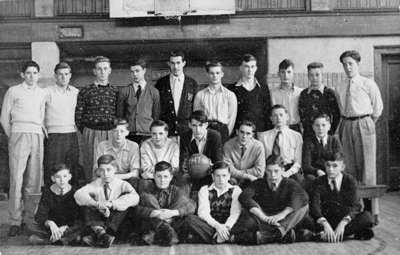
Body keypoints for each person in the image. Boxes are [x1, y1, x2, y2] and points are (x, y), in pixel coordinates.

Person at [0, 60, 47, 236]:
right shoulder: (13, 91)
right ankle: (15, 221)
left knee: (34, 180)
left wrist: (39, 132)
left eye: (35, 73)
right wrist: (13, 136)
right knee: (16, 179)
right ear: (22, 74)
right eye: (28, 73)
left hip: (36, 134)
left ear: (39, 75)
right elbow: (4, 118)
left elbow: (41, 117)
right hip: (18, 133)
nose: (32, 76)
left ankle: (30, 219)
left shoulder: (42, 93)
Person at [337, 50, 383, 216]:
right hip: (346, 124)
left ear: (358, 64)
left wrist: (366, 124)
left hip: (364, 123)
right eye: (344, 64)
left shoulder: (368, 83)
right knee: (349, 167)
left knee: (367, 168)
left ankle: (371, 212)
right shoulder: (341, 86)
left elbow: (377, 109)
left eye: (351, 64)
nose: (348, 67)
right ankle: (355, 210)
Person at [230, 155, 309, 244]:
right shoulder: (259, 183)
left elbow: (303, 197)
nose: (272, 175)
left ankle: (274, 234)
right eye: (269, 171)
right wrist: (264, 217)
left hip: (283, 221)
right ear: (265, 171)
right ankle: (281, 234)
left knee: (304, 206)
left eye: (276, 171)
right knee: (247, 215)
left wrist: (281, 215)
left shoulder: (290, 183)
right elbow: (244, 196)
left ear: (282, 170)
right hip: (264, 220)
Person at [74, 154, 139, 248]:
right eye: (102, 170)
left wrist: (111, 204)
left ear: (115, 169)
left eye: (109, 170)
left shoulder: (122, 184)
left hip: (115, 223)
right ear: (98, 171)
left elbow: (136, 198)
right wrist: (97, 204)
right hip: (100, 219)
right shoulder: (96, 183)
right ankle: (103, 235)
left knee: (125, 202)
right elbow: (78, 194)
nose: (105, 174)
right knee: (86, 203)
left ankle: (100, 235)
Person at [310, 152, 375, 242]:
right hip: (326, 219)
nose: (330, 169)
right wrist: (324, 223)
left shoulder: (350, 180)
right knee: (307, 220)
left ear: (342, 167)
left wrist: (343, 223)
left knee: (367, 217)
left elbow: (356, 205)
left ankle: (326, 235)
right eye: (328, 165)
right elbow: (315, 206)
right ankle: (340, 234)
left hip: (343, 219)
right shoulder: (318, 181)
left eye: (335, 166)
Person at [75, 56, 117, 182]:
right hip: (91, 132)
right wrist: (88, 131)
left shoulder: (115, 91)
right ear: (94, 71)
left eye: (105, 68)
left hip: (111, 132)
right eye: (99, 69)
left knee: (110, 164)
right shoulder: (86, 91)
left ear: (110, 70)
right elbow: (78, 116)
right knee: (92, 165)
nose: (102, 72)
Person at [135, 161, 196, 246]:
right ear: (154, 176)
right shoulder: (147, 189)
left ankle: (160, 234)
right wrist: (154, 213)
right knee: (147, 198)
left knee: (182, 203)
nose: (162, 180)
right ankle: (166, 232)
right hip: (153, 224)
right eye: (159, 176)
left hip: (172, 222)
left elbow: (191, 205)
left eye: (165, 176)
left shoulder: (176, 190)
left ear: (171, 177)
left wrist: (172, 213)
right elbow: (137, 209)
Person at [183, 161, 242, 244]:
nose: (221, 179)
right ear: (213, 176)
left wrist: (226, 227)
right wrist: (217, 226)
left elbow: (235, 213)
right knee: (189, 219)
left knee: (249, 221)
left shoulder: (236, 190)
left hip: (229, 225)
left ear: (229, 176)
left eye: (224, 176)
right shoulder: (205, 190)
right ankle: (223, 238)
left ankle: (217, 237)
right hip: (210, 225)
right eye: (217, 176)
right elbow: (203, 213)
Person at [44, 62, 81, 187]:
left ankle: (71, 202)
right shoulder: (47, 92)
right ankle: (52, 201)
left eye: (66, 74)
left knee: (72, 168)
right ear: (55, 76)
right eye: (60, 74)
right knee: (53, 168)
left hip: (71, 134)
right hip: (54, 136)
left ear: (70, 76)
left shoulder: (76, 92)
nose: (63, 77)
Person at [29, 164, 82, 245]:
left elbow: (79, 216)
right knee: (31, 226)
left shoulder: (75, 192)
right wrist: (50, 223)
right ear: (53, 178)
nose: (62, 180)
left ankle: (49, 240)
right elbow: (40, 215)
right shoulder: (48, 192)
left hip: (69, 226)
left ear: (70, 177)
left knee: (81, 227)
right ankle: (63, 239)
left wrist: (66, 227)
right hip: (52, 226)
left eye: (65, 176)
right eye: (58, 177)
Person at [117, 57, 160, 145]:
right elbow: (120, 115)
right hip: (129, 134)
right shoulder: (124, 91)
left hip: (147, 134)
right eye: (132, 72)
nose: (135, 74)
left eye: (137, 71)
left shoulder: (154, 92)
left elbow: (156, 116)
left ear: (144, 70)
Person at [155, 51, 198, 138]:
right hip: (166, 132)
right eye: (172, 63)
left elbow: (195, 109)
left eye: (178, 63)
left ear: (184, 63)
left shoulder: (192, 83)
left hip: (186, 132)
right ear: (168, 64)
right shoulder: (161, 83)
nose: (175, 67)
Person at [179, 110, 223, 194]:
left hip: (209, 173)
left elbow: (218, 160)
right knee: (183, 185)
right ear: (189, 125)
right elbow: (184, 159)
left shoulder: (215, 136)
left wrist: (209, 167)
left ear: (206, 125)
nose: (197, 130)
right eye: (194, 125)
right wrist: (187, 171)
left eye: (200, 125)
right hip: (192, 173)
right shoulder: (185, 136)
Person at [193, 60, 237, 143]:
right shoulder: (200, 95)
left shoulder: (230, 95)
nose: (215, 76)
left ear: (222, 74)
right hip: (206, 130)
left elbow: (231, 120)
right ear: (207, 75)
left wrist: (226, 135)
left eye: (217, 73)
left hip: (222, 131)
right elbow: (197, 118)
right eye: (211, 73)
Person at [258, 104, 303, 184]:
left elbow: (298, 162)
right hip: (269, 170)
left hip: (289, 169)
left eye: (281, 115)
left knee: (297, 181)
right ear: (271, 119)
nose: (278, 118)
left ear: (287, 117)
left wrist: (286, 174)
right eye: (275, 116)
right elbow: (261, 160)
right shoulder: (263, 136)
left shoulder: (296, 136)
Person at [229, 54, 272, 133]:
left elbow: (268, 113)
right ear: (241, 68)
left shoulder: (264, 88)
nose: (250, 70)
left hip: (260, 132)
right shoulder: (232, 89)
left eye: (252, 67)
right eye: (246, 66)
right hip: (240, 133)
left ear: (256, 68)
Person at [298, 62, 341, 139]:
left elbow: (336, 115)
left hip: (326, 135)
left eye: (317, 75)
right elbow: (302, 115)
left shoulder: (329, 93)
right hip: (309, 136)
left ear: (322, 76)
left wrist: (330, 132)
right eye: (311, 75)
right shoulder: (304, 94)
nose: (314, 78)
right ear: (308, 76)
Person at [94, 118, 140, 186]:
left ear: (127, 132)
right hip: (106, 178)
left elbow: (135, 173)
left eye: (122, 131)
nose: (118, 134)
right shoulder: (102, 146)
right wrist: (109, 177)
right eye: (115, 131)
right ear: (111, 132)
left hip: (126, 179)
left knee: (134, 180)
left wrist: (115, 177)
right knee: (97, 180)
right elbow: (97, 171)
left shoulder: (133, 146)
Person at [302, 114, 342, 186]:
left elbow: (338, 160)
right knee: (310, 179)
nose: (320, 128)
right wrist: (317, 171)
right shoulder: (308, 142)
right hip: (315, 174)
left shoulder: (334, 141)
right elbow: (306, 165)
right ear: (313, 127)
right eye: (317, 125)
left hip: (331, 171)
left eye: (323, 125)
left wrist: (330, 171)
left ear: (329, 127)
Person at [223, 120, 265, 188]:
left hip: (251, 182)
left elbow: (259, 171)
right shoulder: (228, 145)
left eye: (248, 133)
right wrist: (247, 176)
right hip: (233, 180)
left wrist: (237, 172)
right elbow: (227, 169)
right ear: (237, 132)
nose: (244, 136)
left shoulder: (259, 146)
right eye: (242, 132)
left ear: (252, 135)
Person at [140, 120, 179, 190]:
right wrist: (161, 174)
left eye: (161, 133)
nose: (157, 137)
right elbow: (145, 168)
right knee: (144, 183)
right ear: (151, 133)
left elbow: (174, 168)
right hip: (152, 179)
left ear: (166, 133)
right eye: (154, 134)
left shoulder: (173, 146)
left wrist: (157, 175)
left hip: (167, 177)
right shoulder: (145, 145)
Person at [270, 59, 303, 133]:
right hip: (278, 128)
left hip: (295, 128)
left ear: (293, 73)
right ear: (279, 74)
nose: (286, 76)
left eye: (289, 72)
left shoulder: (300, 92)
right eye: (283, 72)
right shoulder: (272, 93)